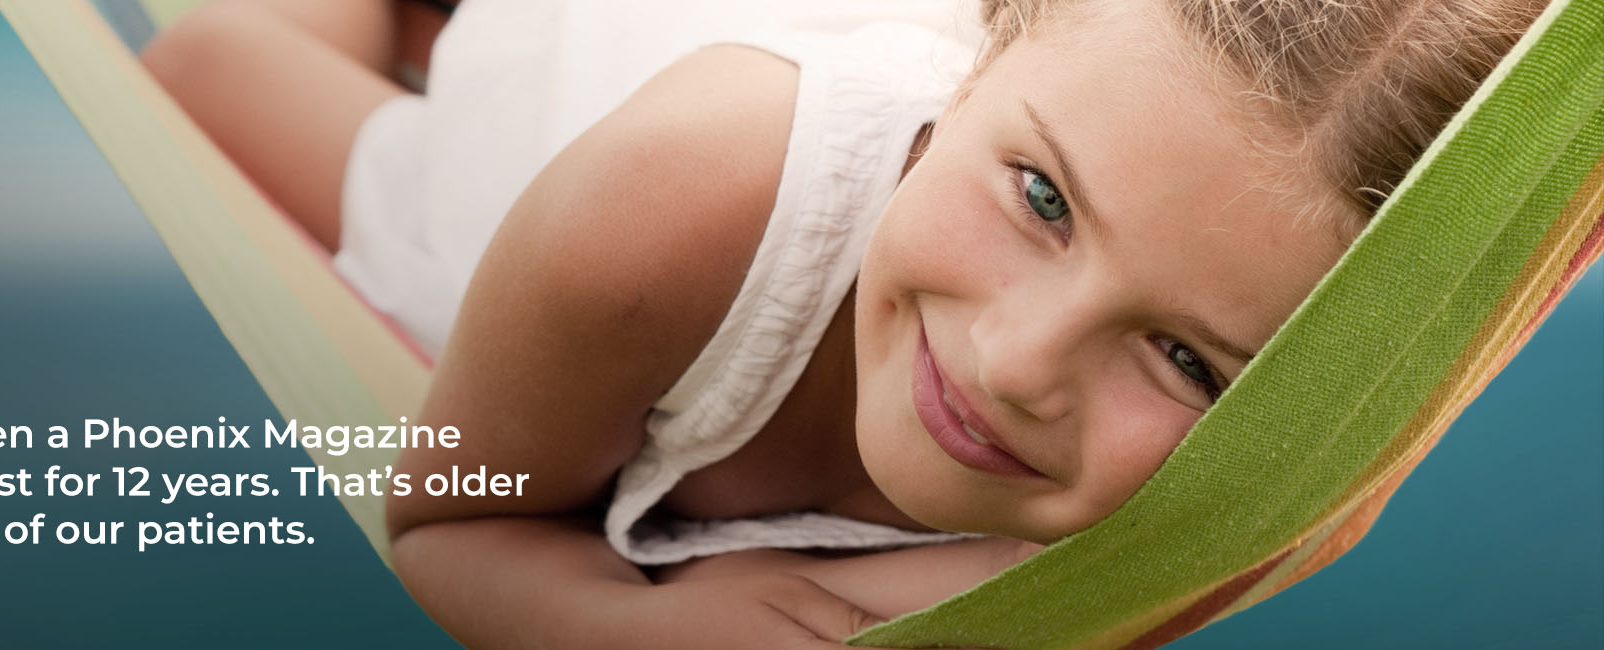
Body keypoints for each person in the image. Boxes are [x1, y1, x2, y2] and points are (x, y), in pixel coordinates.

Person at [140, 0, 1545, 647]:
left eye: (1186, 359)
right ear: (995, 33)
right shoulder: (679, 191)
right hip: (607, 118)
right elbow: (450, 515)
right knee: (215, 56)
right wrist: (607, 624)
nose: (1013, 364)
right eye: (1043, 198)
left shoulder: (1242, 498)